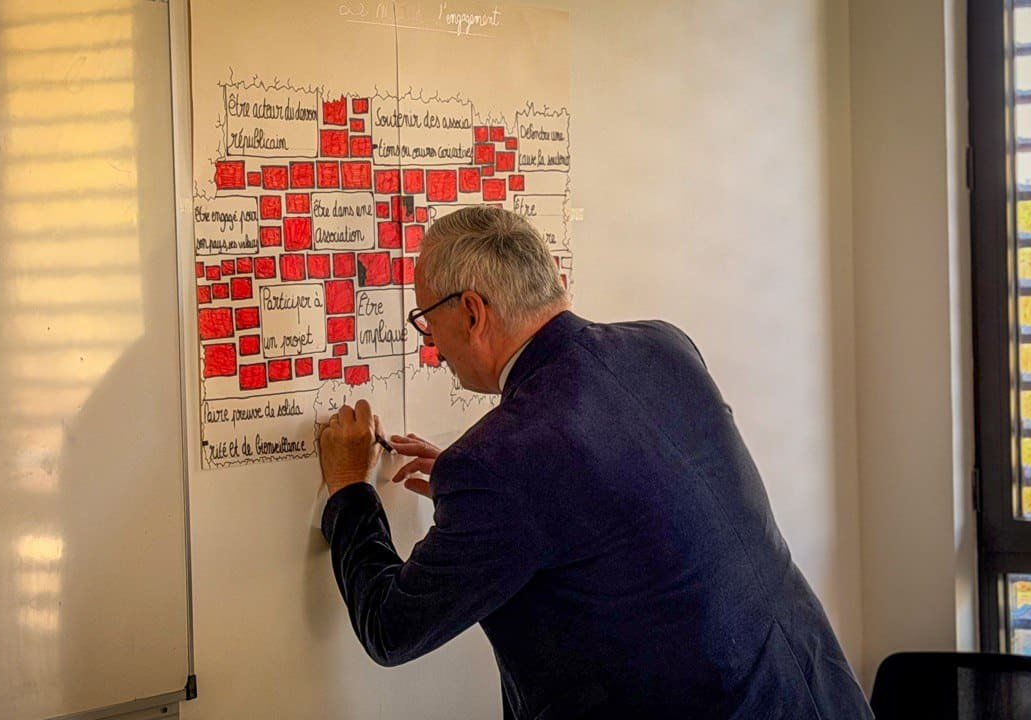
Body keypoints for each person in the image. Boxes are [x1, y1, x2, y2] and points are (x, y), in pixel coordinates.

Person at [317, 206, 872, 719]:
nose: (430, 345)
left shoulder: (502, 464)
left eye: (426, 320)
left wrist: (348, 488)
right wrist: (484, 496)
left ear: (471, 312)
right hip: (817, 693)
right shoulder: (663, 346)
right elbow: (611, 487)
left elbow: (392, 628)